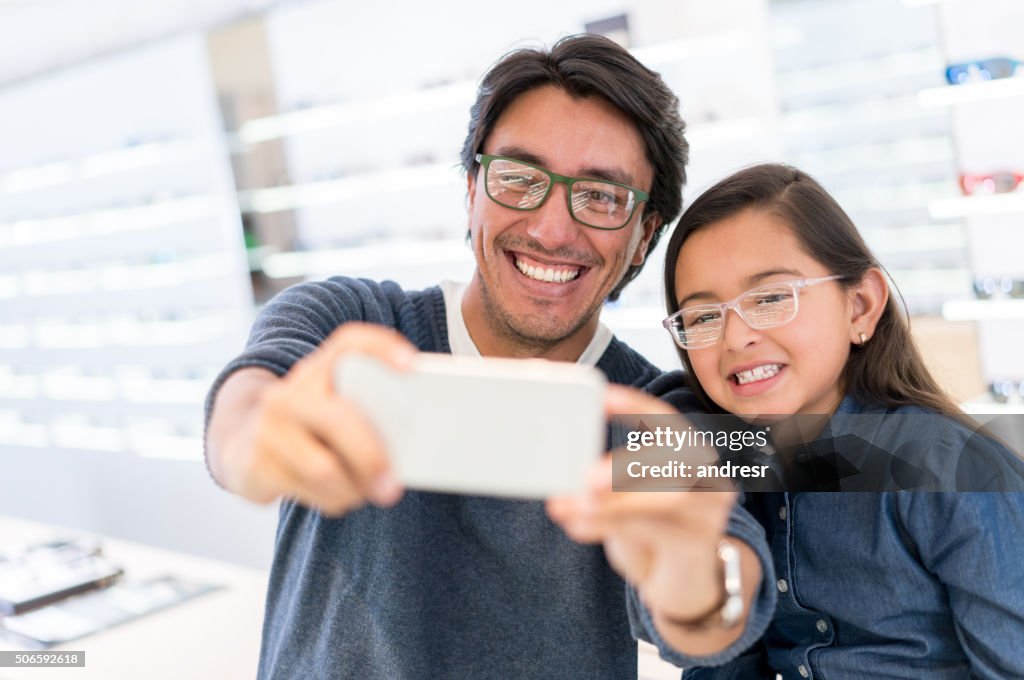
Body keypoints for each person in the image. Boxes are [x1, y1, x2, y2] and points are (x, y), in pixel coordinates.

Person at [204, 35, 776, 679]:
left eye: (601, 196)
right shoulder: (347, 323)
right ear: (472, 189)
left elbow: (722, 597)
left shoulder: (653, 415)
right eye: (518, 179)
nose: (552, 230)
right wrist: (256, 439)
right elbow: (244, 408)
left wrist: (695, 580)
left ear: (644, 235)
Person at [649, 162, 1024, 678]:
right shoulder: (732, 472)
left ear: (861, 306)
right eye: (703, 317)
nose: (735, 338)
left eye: (772, 298)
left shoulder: (954, 474)